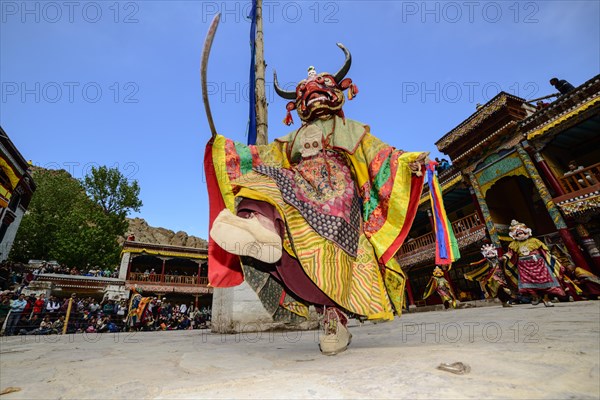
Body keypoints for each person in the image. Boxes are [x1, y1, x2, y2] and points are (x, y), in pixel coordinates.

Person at [206, 44, 431, 355]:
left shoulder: (348, 129)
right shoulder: (292, 139)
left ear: (335, 94)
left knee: (334, 255)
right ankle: (259, 228)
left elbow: (380, 154)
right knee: (263, 177)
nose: (314, 98)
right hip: (299, 186)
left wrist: (407, 162)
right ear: (300, 105)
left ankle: (334, 321)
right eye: (307, 95)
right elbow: (261, 156)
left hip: (339, 194)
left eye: (320, 91)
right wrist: (226, 149)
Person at [502, 220, 565, 307]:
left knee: (545, 282)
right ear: (514, 235)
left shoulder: (535, 241)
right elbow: (510, 253)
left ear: (527, 232)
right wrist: (505, 257)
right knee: (527, 284)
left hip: (539, 263)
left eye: (521, 232)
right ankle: (535, 296)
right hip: (523, 265)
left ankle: (546, 299)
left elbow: (544, 250)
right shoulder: (513, 244)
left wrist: (551, 257)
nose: (520, 234)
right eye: (517, 233)